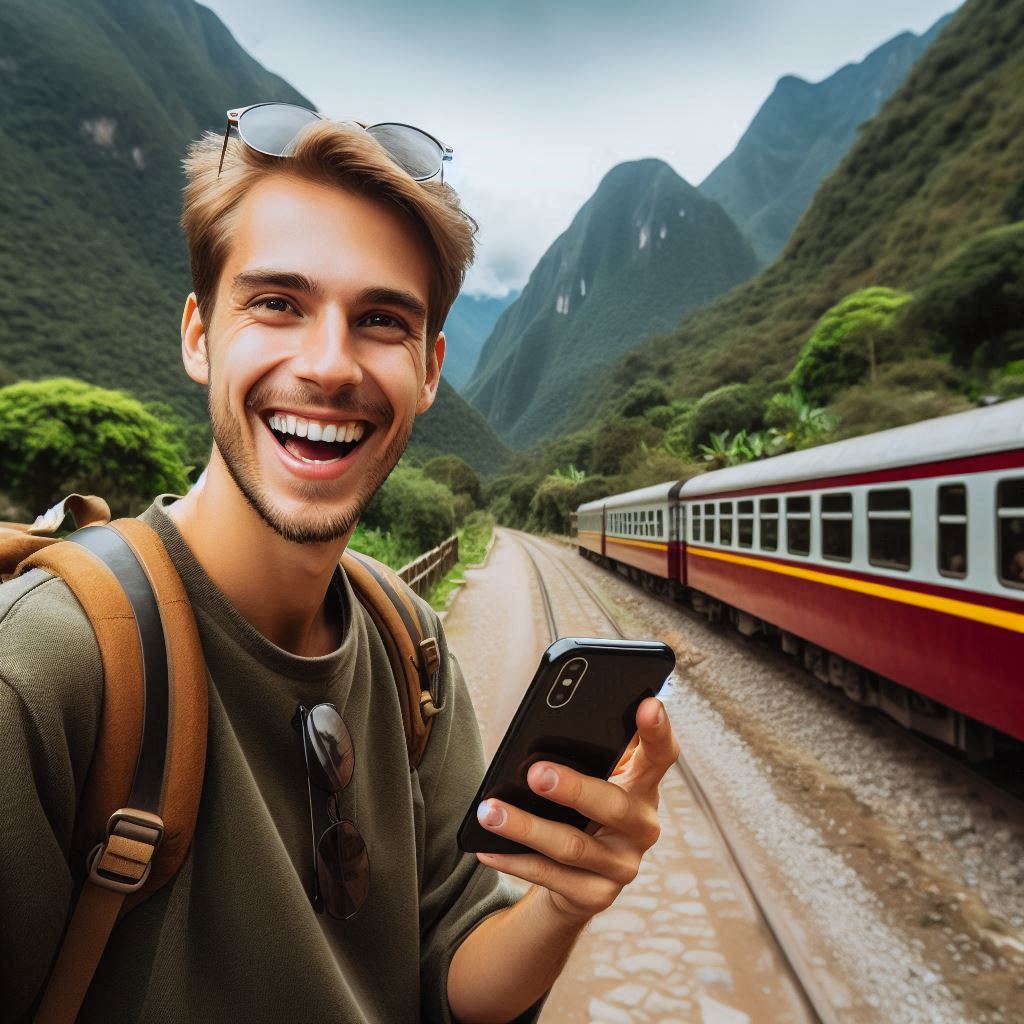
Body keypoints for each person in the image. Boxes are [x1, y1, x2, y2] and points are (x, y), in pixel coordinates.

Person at [0, 108, 680, 1024]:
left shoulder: (409, 641)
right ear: (200, 335)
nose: (328, 366)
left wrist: (563, 902)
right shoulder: (44, 670)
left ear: (430, 370)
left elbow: (450, 975)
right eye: (277, 303)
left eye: (381, 321)